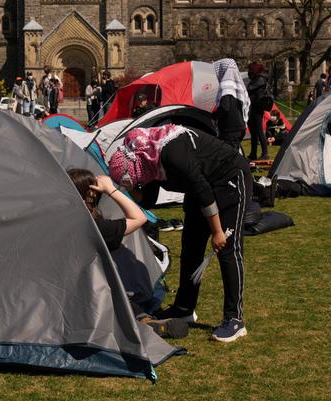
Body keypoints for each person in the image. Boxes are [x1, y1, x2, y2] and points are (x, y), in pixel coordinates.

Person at [107, 124, 251, 344]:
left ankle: (234, 319)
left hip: (229, 178)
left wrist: (217, 231)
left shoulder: (171, 153)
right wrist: (126, 189)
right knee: (191, 247)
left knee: (228, 251)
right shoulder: (148, 161)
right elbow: (148, 199)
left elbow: (203, 191)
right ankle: (184, 308)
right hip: (200, 188)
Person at [67, 167, 148, 252]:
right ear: (91, 194)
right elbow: (139, 218)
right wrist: (110, 189)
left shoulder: (61, 217)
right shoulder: (95, 228)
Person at [212, 58, 249, 151]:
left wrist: (214, 116)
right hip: (240, 127)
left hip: (230, 129)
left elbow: (225, 107)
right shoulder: (238, 85)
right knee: (234, 154)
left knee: (230, 156)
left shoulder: (226, 85)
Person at [245, 62, 272, 161]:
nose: (248, 72)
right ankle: (253, 153)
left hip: (257, 108)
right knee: (253, 132)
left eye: (249, 69)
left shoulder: (260, 79)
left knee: (259, 131)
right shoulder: (256, 79)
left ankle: (265, 153)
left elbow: (248, 89)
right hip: (253, 107)